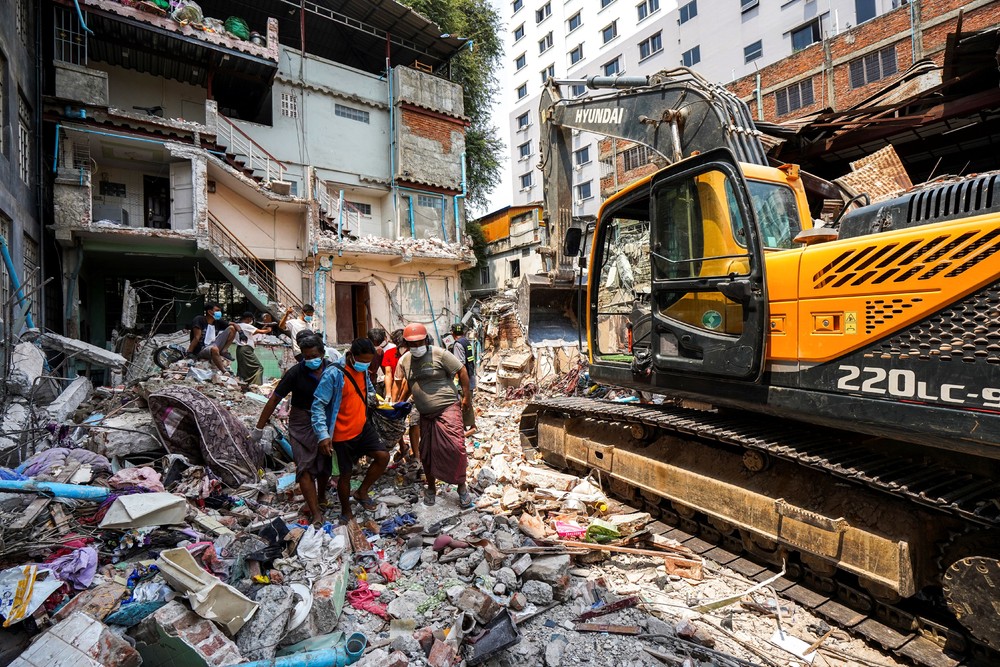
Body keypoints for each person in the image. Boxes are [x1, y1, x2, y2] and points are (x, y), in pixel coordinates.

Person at [253, 334, 331, 526]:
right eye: (306, 357)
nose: (310, 360)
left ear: (322, 353)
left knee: (324, 463)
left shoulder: (332, 370)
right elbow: (275, 399)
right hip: (301, 422)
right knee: (304, 468)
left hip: (326, 420)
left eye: (314, 356)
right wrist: (259, 427)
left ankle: (321, 497)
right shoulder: (295, 373)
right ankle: (316, 513)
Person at [396, 322, 474, 508]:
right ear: (406, 344)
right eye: (412, 344)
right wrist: (400, 402)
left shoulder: (440, 354)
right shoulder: (405, 360)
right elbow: (410, 383)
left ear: (426, 340)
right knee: (427, 452)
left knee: (456, 448)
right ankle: (431, 488)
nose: (416, 347)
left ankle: (461, 487)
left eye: (419, 343)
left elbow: (462, 371)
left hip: (448, 408)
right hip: (426, 414)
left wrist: (466, 397)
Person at [312, 338, 390, 522]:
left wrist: (376, 400)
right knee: (345, 475)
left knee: (383, 456)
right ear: (351, 355)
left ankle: (361, 492)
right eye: (362, 361)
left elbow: (367, 388)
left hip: (362, 427)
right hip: (341, 434)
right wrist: (323, 435)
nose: (365, 365)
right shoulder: (333, 374)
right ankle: (346, 511)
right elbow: (318, 405)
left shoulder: (362, 371)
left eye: (368, 362)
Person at [187, 302, 237, 373]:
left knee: (232, 328)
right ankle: (224, 371)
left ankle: (224, 351)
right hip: (202, 349)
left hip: (213, 344)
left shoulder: (218, 321)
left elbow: (234, 324)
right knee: (214, 349)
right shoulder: (199, 320)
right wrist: (190, 352)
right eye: (217, 310)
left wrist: (241, 332)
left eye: (220, 311)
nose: (219, 313)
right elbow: (196, 337)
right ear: (210, 312)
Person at [450, 322, 477, 436]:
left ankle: (468, 427)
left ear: (452, 333)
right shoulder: (466, 341)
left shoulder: (457, 344)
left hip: (464, 379)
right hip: (470, 377)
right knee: (467, 401)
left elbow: (460, 366)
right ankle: (469, 426)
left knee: (463, 402)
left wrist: (456, 382)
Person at [235, 312, 270, 384]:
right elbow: (262, 332)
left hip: (239, 349)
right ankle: (255, 385)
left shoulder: (238, 326)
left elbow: (251, 333)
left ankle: (244, 384)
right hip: (246, 349)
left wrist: (262, 330)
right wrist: (269, 329)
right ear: (248, 318)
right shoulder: (247, 326)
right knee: (258, 368)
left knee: (243, 369)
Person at [366, 327, 387, 395]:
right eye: (373, 343)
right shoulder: (360, 349)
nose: (375, 346)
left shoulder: (379, 351)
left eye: (378, 343)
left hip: (372, 382)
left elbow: (384, 369)